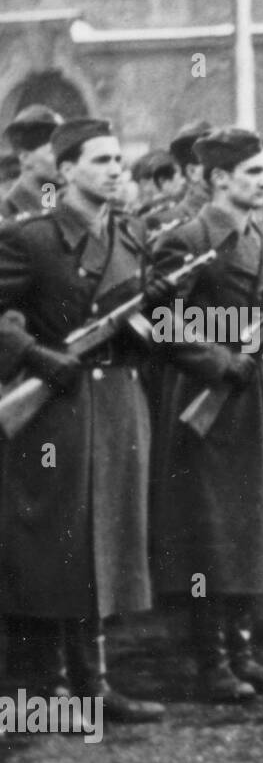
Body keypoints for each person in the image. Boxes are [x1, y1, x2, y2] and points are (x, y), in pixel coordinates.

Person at [0, 117, 163, 721]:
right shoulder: (31, 239)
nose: (117, 169)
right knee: (55, 540)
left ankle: (96, 682)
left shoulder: (132, 235)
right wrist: (37, 356)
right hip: (55, 410)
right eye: (101, 161)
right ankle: (49, 688)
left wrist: (157, 331)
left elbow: (147, 318)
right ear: (66, 172)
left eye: (120, 159)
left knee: (105, 539)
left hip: (118, 404)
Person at [152, 128, 263, 701]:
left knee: (255, 528)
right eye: (251, 173)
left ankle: (245, 649)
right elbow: (163, 324)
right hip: (215, 400)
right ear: (219, 178)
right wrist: (223, 359)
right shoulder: (188, 240)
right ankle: (211, 659)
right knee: (212, 530)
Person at [0, 105, 64, 219]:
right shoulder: (8, 208)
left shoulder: (54, 193)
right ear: (25, 158)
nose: (63, 159)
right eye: (53, 152)